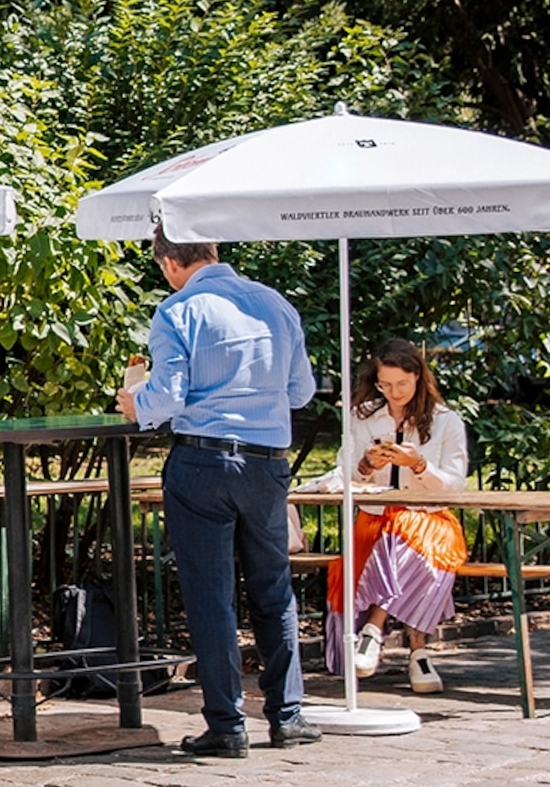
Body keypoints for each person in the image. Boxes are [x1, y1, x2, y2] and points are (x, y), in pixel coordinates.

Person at [119, 236, 321, 757]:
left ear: (170, 263)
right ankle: (288, 716)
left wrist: (132, 401)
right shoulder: (276, 303)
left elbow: (166, 398)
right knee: (273, 591)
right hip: (267, 463)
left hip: (203, 461)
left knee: (212, 597)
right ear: (212, 251)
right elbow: (301, 392)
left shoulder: (177, 309)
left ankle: (228, 726)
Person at [307, 338, 470, 693]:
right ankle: (419, 654)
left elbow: (454, 485)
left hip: (431, 520)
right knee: (393, 535)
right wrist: (367, 464)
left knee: (405, 529)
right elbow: (346, 471)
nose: (394, 393)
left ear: (418, 377)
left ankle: (374, 629)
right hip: (375, 520)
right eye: (385, 385)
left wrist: (420, 465)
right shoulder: (362, 416)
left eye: (402, 384)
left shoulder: (446, 422)